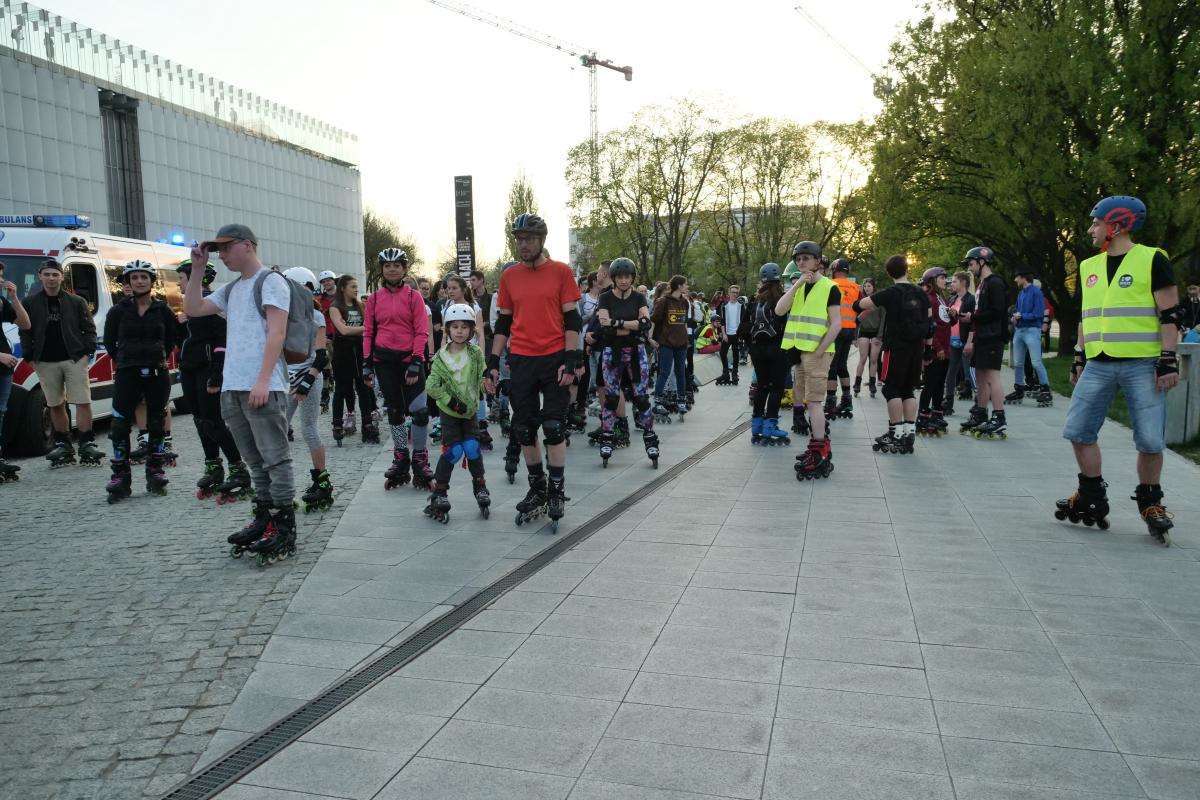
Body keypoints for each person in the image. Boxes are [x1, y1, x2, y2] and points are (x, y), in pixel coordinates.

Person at [1058, 196, 1181, 544]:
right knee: (1078, 430)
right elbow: (1087, 316)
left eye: (1096, 222)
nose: (1090, 229)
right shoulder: (1088, 266)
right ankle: (1091, 493)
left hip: (1142, 364)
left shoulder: (1152, 259)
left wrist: (1168, 358)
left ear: (1117, 225)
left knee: (1149, 438)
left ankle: (1150, 501)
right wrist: (1079, 356)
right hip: (1098, 362)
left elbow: (1170, 314)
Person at [185, 225, 296, 563]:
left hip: (263, 386)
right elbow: (193, 308)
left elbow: (277, 334)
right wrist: (198, 268)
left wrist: (263, 380)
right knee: (253, 461)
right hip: (233, 388)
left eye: (225, 248)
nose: (221, 254)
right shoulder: (232, 289)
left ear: (246, 246)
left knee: (275, 458)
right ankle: (263, 517)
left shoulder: (271, 281)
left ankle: (285, 527)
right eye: (216, 249)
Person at [485, 214, 582, 530]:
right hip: (522, 359)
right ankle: (537, 486)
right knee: (524, 428)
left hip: (554, 357)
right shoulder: (510, 276)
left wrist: (571, 359)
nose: (522, 244)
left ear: (541, 240)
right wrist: (492, 362)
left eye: (528, 239)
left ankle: (556, 487)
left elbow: (573, 322)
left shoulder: (561, 272)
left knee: (553, 426)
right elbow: (503, 323)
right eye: (519, 239)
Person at [102, 261, 177, 501]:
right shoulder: (117, 311)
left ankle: (155, 470)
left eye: (144, 277)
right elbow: (110, 342)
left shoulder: (163, 310)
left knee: (156, 422)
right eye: (134, 278)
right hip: (127, 372)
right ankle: (120, 475)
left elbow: (173, 339)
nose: (139, 281)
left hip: (156, 371)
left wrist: (156, 356)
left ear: (151, 281)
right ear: (128, 282)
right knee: (119, 424)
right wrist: (127, 359)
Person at [176, 259, 250, 502]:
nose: (178, 283)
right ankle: (213, 465)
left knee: (213, 421)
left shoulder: (212, 305)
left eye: (182, 278)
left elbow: (222, 339)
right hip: (189, 368)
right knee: (199, 420)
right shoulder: (188, 307)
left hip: (208, 368)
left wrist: (217, 372)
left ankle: (238, 467)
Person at [19, 259, 100, 467]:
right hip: (44, 361)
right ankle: (63, 444)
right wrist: (30, 357)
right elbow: (25, 331)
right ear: (40, 277)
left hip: (74, 358)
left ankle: (86, 442)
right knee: (55, 404)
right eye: (47, 274)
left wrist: (86, 354)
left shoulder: (76, 302)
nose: (51, 278)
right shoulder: (30, 302)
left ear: (62, 277)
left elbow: (89, 329)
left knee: (82, 401)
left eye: (55, 274)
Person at [365, 249, 433, 491]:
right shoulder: (374, 299)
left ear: (404, 269)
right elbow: (368, 332)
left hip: (409, 360)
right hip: (384, 361)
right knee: (394, 411)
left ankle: (420, 458)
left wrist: (417, 359)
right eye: (387, 265)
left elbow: (421, 331)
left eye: (397, 265)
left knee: (420, 412)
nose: (392, 269)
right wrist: (366, 363)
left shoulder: (414, 297)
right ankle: (401, 456)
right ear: (381, 270)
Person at [854, 255, 931, 454]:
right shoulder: (920, 293)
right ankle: (909, 433)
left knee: (891, 389)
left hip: (895, 348)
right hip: (916, 348)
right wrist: (928, 349)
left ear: (889, 273)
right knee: (908, 390)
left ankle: (896, 432)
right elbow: (930, 323)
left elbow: (862, 304)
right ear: (907, 269)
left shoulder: (890, 293)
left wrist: (858, 306)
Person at [778, 241, 841, 479]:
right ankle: (817, 447)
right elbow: (779, 310)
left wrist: (819, 350)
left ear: (817, 261)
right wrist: (795, 287)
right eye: (798, 259)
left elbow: (836, 323)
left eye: (806, 258)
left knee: (814, 402)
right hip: (799, 351)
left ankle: (819, 449)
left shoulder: (830, 287)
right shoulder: (799, 286)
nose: (802, 262)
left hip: (818, 352)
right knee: (806, 400)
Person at [423, 303, 491, 521]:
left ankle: (480, 486)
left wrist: (487, 382)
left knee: (471, 447)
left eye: (464, 327)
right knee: (453, 451)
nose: (460, 331)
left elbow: (481, 375)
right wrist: (451, 401)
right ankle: (440, 492)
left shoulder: (475, 353)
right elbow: (432, 386)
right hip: (450, 412)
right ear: (447, 330)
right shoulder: (441, 357)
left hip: (470, 410)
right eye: (455, 327)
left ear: (471, 330)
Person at [595, 258, 658, 468]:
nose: (623, 281)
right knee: (611, 398)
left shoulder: (639, 297)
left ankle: (650, 437)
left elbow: (645, 324)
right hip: (612, 352)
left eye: (627, 277)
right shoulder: (605, 298)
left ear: (632, 278)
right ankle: (607, 436)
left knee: (641, 398)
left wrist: (617, 324)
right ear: (613, 278)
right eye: (620, 277)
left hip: (635, 352)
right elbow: (604, 325)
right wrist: (631, 325)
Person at [282, 268, 335, 514]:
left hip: (309, 377)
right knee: (279, 430)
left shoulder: (316, 316)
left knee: (309, 429)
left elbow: (322, 356)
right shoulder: (282, 314)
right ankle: (281, 486)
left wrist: (306, 384)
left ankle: (321, 481)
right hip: (285, 379)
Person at [961, 246, 1009, 439]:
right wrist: (972, 319)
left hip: (993, 337)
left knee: (991, 376)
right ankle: (981, 413)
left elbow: (997, 311)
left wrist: (974, 316)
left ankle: (999, 416)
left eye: (971, 264)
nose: (969, 268)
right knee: (980, 376)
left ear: (982, 262)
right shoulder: (982, 284)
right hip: (982, 336)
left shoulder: (995, 283)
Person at [328, 274, 378, 446]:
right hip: (342, 353)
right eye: (352, 286)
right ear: (343, 288)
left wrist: (360, 329)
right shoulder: (335, 307)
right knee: (341, 389)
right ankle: (337, 424)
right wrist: (366, 329)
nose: (356, 289)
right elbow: (343, 330)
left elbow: (365, 327)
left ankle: (367, 424)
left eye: (357, 286)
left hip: (360, 351)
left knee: (363, 387)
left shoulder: (360, 305)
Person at [444, 275, 492, 451]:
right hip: (452, 355)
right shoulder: (447, 307)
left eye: (454, 288)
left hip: (470, 354)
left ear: (463, 289)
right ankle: (458, 427)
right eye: (448, 288)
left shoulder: (474, 307)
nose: (450, 291)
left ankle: (480, 427)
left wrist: (482, 357)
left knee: (475, 390)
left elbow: (480, 335)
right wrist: (441, 355)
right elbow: (444, 333)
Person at [747, 264, 791, 446]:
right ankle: (770, 425)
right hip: (777, 348)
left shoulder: (753, 300)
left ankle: (756, 425)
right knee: (776, 387)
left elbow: (746, 326)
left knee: (761, 386)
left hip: (757, 349)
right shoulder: (781, 299)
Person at [0, 261, 32, 482]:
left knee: (1, 412)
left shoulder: (1, 301)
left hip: (3, 370)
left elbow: (25, 324)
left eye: (1, 275)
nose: (1, 280)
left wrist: (13, 298)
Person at [1007, 269, 1052, 407]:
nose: (1015, 280)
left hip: (1032, 330)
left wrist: (1022, 316)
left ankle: (1045, 390)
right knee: (1018, 363)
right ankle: (1019, 388)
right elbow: (1018, 311)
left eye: (1016, 277)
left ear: (1023, 278)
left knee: (1036, 362)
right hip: (1019, 330)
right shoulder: (1021, 293)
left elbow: (1038, 313)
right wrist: (1015, 318)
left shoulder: (1036, 292)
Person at [916, 267, 952, 435]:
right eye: (942, 278)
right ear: (932, 280)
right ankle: (923, 414)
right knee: (930, 383)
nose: (946, 280)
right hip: (937, 349)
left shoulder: (941, 298)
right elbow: (930, 327)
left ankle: (937, 412)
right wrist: (937, 348)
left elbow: (945, 323)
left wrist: (954, 316)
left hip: (946, 348)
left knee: (939, 384)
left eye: (945, 278)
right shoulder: (929, 299)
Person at [825, 258, 860, 420]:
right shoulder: (856, 287)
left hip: (835, 329)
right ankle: (847, 400)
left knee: (831, 366)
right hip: (849, 329)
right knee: (842, 365)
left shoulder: (830, 284)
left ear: (834, 269)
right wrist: (855, 321)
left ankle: (830, 403)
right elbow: (863, 308)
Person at [651, 275, 691, 418]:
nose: (687, 287)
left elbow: (684, 322)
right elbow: (654, 321)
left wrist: (687, 339)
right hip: (666, 342)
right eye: (685, 284)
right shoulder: (663, 302)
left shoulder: (684, 302)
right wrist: (650, 338)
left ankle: (681, 399)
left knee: (681, 372)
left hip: (681, 343)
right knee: (664, 371)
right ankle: (658, 400)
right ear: (679, 286)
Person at [943, 271, 976, 414]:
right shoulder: (952, 299)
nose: (952, 284)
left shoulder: (971, 300)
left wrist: (969, 342)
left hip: (965, 340)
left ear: (963, 283)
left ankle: (979, 401)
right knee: (951, 372)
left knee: (970, 372)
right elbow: (951, 321)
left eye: (955, 281)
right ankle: (948, 402)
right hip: (953, 340)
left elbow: (973, 324)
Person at [853, 278, 882, 399]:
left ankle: (872, 384)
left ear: (874, 287)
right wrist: (855, 337)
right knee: (863, 358)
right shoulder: (861, 302)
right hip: (864, 332)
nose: (867, 288)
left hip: (876, 333)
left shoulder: (879, 301)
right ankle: (857, 383)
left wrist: (880, 336)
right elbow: (855, 320)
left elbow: (883, 319)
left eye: (869, 286)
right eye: (865, 286)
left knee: (874, 359)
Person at [715, 284, 744, 385]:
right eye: (733, 292)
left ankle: (735, 373)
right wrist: (724, 334)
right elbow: (722, 321)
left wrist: (741, 335)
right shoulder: (724, 305)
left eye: (736, 292)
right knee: (722, 353)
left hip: (737, 334)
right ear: (729, 293)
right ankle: (725, 373)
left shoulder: (741, 305)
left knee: (736, 354)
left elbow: (743, 321)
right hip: (727, 334)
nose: (734, 294)